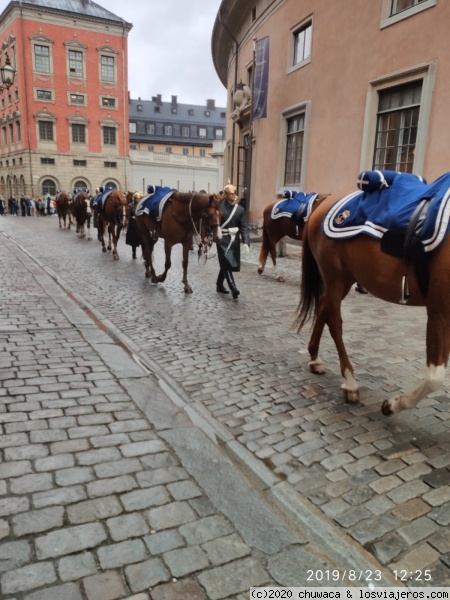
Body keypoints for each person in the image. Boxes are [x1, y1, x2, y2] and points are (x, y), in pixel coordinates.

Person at [216, 183, 250, 299]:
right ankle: (233, 288)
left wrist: (246, 241)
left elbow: (244, 226)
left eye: (234, 193)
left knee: (226, 262)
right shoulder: (219, 207)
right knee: (227, 261)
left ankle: (219, 284)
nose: (233, 195)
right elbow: (214, 223)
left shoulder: (240, 209)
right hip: (222, 238)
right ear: (225, 194)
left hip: (234, 239)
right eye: (231, 193)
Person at [125, 191, 143, 259]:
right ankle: (134, 253)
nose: (138, 200)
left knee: (142, 239)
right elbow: (128, 215)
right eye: (137, 198)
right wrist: (127, 222)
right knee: (133, 240)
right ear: (134, 198)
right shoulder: (130, 205)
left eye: (139, 199)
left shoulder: (141, 205)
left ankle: (143, 253)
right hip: (133, 223)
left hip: (140, 223)